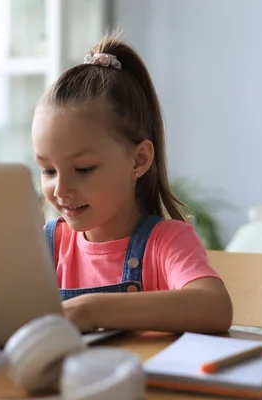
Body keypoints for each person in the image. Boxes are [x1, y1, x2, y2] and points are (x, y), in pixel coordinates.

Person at [31, 32, 233, 334]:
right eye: (48, 170)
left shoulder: (167, 242)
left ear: (138, 161)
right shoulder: (45, 246)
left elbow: (215, 308)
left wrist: (91, 310)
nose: (60, 191)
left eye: (83, 169)